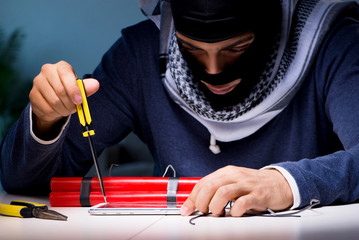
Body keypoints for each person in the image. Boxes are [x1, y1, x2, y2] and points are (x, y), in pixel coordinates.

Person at [1, 0, 359, 217]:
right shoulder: (138, 54)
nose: (214, 71)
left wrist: (287, 183)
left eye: (237, 48)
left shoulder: (334, 45)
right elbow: (24, 185)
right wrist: (45, 122)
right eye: (193, 49)